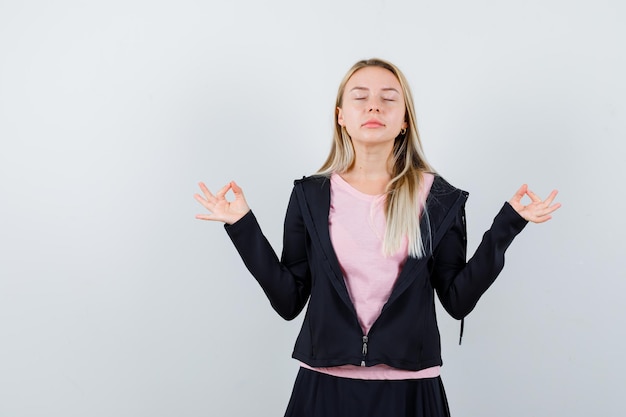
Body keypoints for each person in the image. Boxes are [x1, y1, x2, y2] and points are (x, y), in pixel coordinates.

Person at [194, 58, 560, 417]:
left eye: (388, 98)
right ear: (341, 117)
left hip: (412, 389)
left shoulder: (440, 198)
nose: (373, 105)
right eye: (360, 96)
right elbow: (288, 300)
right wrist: (241, 224)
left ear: (404, 120)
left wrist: (507, 226)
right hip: (324, 388)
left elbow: (457, 300)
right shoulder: (310, 195)